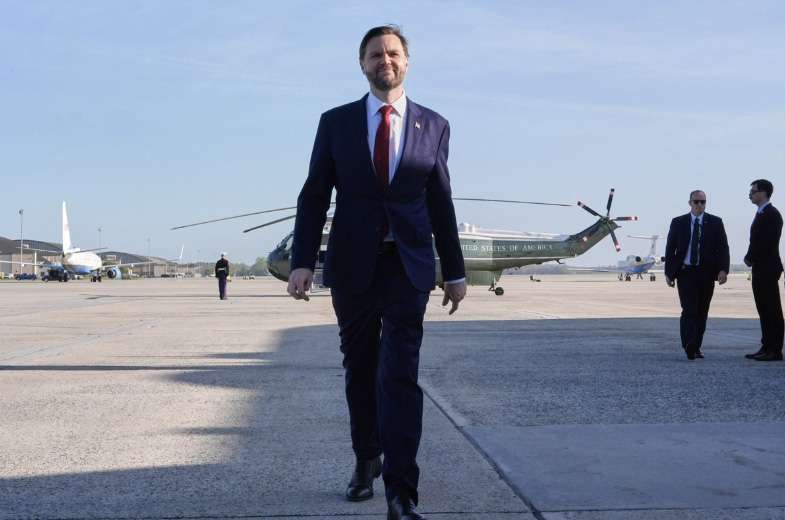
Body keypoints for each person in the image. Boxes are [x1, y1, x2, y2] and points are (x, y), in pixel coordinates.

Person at [287, 25, 466, 520]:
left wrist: (454, 270)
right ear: (362, 64)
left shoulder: (435, 125)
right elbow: (314, 195)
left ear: (407, 61)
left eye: (392, 52)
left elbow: (442, 203)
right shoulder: (336, 122)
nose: (384, 60)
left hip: (408, 266)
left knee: (400, 374)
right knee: (361, 368)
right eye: (374, 54)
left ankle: (402, 493)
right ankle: (367, 459)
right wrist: (303, 260)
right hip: (352, 265)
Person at [664, 190, 729, 360]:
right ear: (690, 203)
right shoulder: (678, 222)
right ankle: (688, 344)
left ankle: (696, 346)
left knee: (702, 311)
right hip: (686, 273)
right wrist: (669, 273)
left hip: (707, 273)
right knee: (689, 310)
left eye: (703, 202)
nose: (699, 205)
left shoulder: (715, 222)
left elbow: (723, 248)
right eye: (696, 202)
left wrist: (723, 270)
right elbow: (670, 249)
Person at [744, 179, 784, 361]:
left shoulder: (771, 214)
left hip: (767, 267)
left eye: (754, 191)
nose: (751, 194)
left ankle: (774, 350)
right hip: (761, 267)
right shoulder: (761, 213)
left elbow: (765, 243)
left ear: (764, 193)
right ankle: (766, 345)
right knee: (763, 309)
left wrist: (750, 257)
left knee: (771, 310)